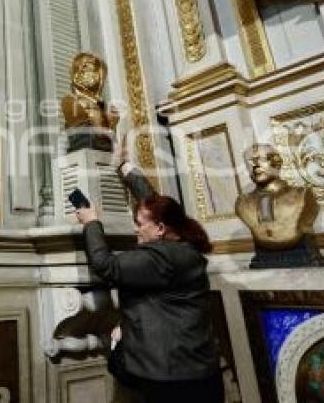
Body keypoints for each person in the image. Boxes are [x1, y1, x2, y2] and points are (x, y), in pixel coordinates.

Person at [74, 143, 223, 403]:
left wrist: (91, 222)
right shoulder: (181, 245)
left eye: (139, 224)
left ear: (161, 229)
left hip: (174, 381)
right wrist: (125, 167)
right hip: (194, 371)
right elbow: (155, 206)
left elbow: (106, 265)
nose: (135, 229)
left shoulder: (162, 257)